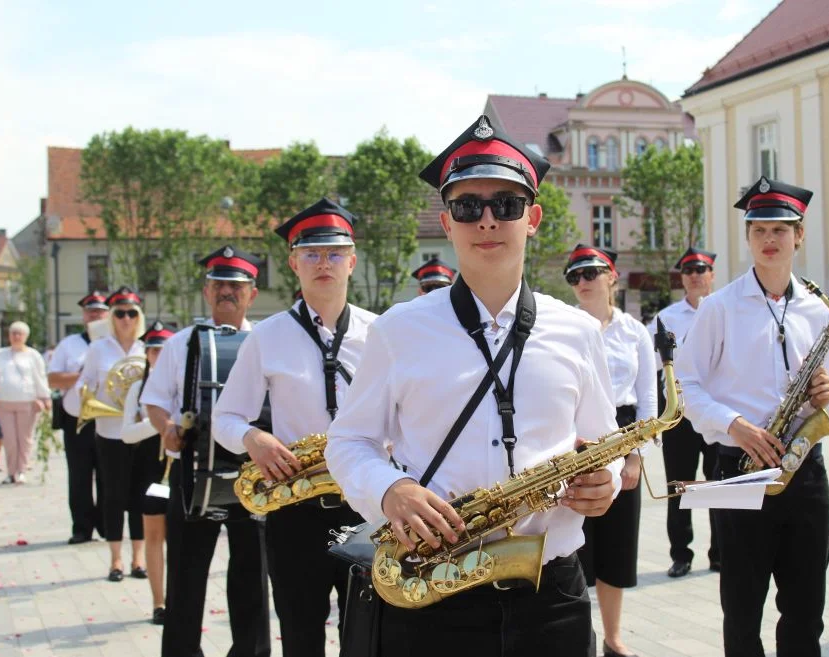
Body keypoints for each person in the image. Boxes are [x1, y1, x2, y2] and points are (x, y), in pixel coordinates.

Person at [325, 114, 623, 657]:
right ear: (447, 220)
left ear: (532, 218)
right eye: (468, 207)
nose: (487, 221)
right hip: (431, 586)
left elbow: (603, 447)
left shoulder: (578, 331)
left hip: (549, 591)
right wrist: (390, 491)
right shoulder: (397, 330)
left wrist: (605, 483)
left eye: (505, 205)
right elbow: (348, 442)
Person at [676, 176, 829, 657]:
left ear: (799, 236)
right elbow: (686, 387)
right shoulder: (720, 307)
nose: (770, 240)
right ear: (747, 238)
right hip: (741, 469)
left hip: (806, 469)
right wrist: (734, 425)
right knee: (743, 610)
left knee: (806, 608)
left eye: (781, 230)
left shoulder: (817, 308)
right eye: (759, 231)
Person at [212, 202, 376, 657]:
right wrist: (254, 438)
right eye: (311, 254)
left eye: (334, 253)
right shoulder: (267, 335)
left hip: (365, 503)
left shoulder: (380, 332)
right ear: (293, 263)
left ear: (352, 261)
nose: (323, 264)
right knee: (300, 636)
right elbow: (224, 418)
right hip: (295, 509)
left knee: (365, 635)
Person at [141, 246, 271, 657]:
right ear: (206, 291)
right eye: (219, 285)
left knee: (252, 570)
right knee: (186, 571)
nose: (226, 293)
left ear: (252, 293)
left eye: (236, 286)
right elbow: (155, 399)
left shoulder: (265, 342)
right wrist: (166, 429)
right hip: (191, 473)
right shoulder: (181, 343)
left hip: (253, 473)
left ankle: (249, 652)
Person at [565, 244, 656, 657]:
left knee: (618, 544)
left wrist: (636, 455)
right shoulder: (562, 328)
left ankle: (614, 636)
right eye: (575, 276)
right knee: (572, 544)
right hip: (574, 440)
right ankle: (578, 631)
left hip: (622, 433)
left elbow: (649, 400)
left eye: (590, 273)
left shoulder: (635, 331)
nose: (582, 282)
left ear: (612, 277)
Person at [651, 247, 721, 578]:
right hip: (679, 415)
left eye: (701, 268)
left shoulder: (725, 311)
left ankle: (721, 552)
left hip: (719, 411)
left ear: (712, 275)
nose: (695, 274)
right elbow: (655, 371)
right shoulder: (665, 318)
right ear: (682, 278)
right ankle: (681, 553)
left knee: (720, 484)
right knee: (680, 486)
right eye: (689, 269)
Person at [79, 286, 148, 582]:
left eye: (131, 313)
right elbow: (85, 388)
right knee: (113, 495)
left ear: (139, 317)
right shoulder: (98, 348)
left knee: (141, 496)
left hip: (142, 432)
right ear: (112, 317)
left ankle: (139, 558)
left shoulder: (147, 348)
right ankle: (116, 559)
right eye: (120, 313)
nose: (125, 319)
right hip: (108, 431)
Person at [120, 321, 175, 626]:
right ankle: (159, 602)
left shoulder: (180, 382)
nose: (158, 355)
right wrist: (156, 422)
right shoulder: (137, 388)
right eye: (153, 350)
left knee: (179, 540)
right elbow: (126, 434)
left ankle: (178, 599)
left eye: (163, 349)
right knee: (153, 536)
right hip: (148, 470)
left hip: (175, 467)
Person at [48, 292, 109, 544]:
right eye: (90, 311)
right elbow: (52, 379)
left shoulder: (115, 343)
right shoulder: (69, 344)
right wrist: (82, 375)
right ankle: (82, 528)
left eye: (100, 311)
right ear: (84, 315)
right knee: (79, 475)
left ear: (108, 314)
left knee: (109, 474)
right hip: (77, 417)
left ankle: (108, 526)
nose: (95, 315)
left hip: (109, 418)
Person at [0, 322, 52, 485]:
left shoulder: (33, 355)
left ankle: (22, 470)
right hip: (5, 401)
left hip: (27, 400)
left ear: (25, 336)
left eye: (19, 334)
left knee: (25, 438)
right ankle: (11, 472)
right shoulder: (2, 354)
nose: (16, 337)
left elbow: (40, 377)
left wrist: (45, 397)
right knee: (9, 439)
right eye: (13, 333)